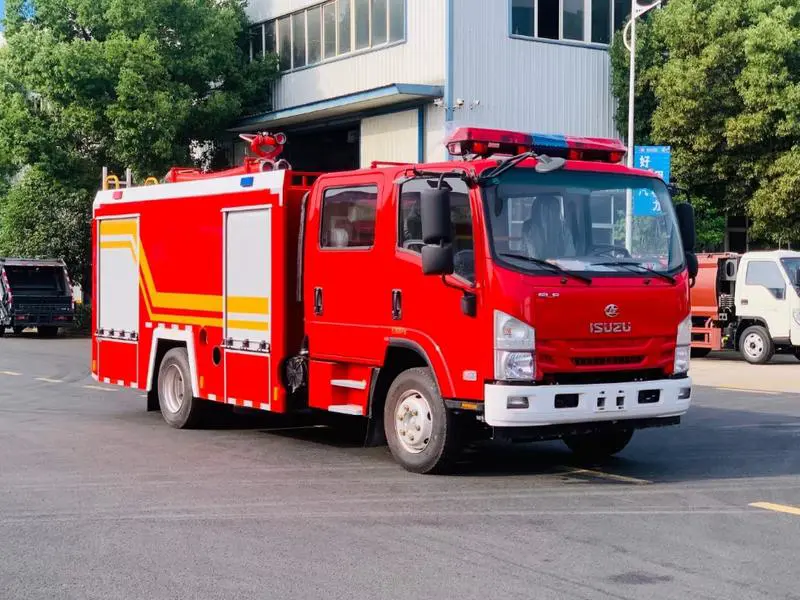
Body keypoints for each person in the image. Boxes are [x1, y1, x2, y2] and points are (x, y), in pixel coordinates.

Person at [521, 195, 575, 260]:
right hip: (535, 267)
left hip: (560, 268)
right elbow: (528, 254)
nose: (551, 213)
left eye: (555, 209)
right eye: (547, 209)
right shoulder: (529, 229)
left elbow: (570, 254)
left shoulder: (564, 230)